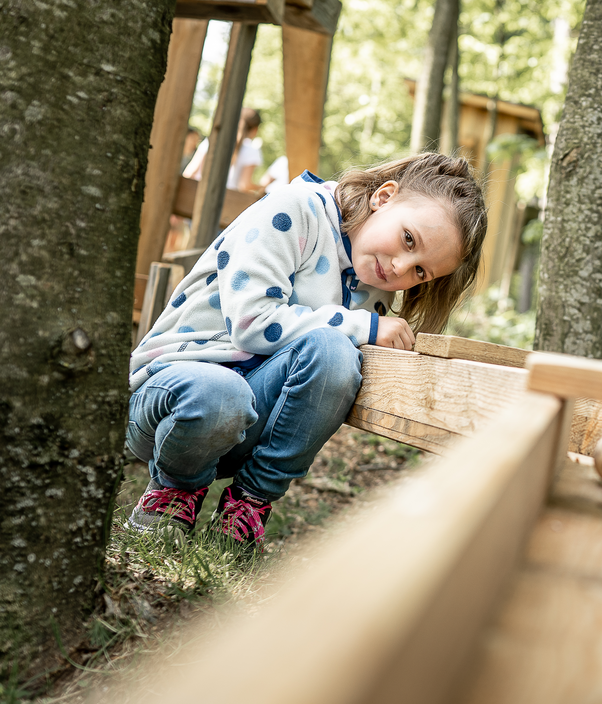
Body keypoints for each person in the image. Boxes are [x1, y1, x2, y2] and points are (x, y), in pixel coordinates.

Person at [126, 153, 487, 549]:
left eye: (421, 271)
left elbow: (329, 369)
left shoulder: (376, 280)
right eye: (408, 239)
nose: (401, 267)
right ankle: (172, 495)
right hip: (171, 401)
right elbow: (252, 322)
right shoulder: (295, 209)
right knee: (221, 392)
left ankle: (247, 506)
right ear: (384, 197)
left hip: (244, 423)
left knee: (335, 352)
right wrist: (362, 327)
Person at [182, 107, 264, 193]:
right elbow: (244, 185)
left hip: (196, 192)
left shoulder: (213, 139)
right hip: (226, 200)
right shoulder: (252, 150)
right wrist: (262, 187)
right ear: (255, 129)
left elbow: (190, 172)